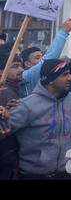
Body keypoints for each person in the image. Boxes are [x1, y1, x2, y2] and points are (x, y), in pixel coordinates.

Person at [0, 59, 71, 180]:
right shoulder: (27, 105)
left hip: (64, 173)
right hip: (35, 175)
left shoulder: (70, 98)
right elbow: (4, 128)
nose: (70, 78)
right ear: (50, 80)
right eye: (65, 74)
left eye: (69, 74)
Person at [19, 18, 71, 98]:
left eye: (42, 57)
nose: (41, 60)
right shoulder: (27, 76)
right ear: (27, 64)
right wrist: (63, 32)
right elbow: (50, 58)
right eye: (37, 58)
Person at [0, 51, 23, 179]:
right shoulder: (5, 92)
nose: (21, 69)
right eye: (15, 66)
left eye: (20, 65)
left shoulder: (13, 89)